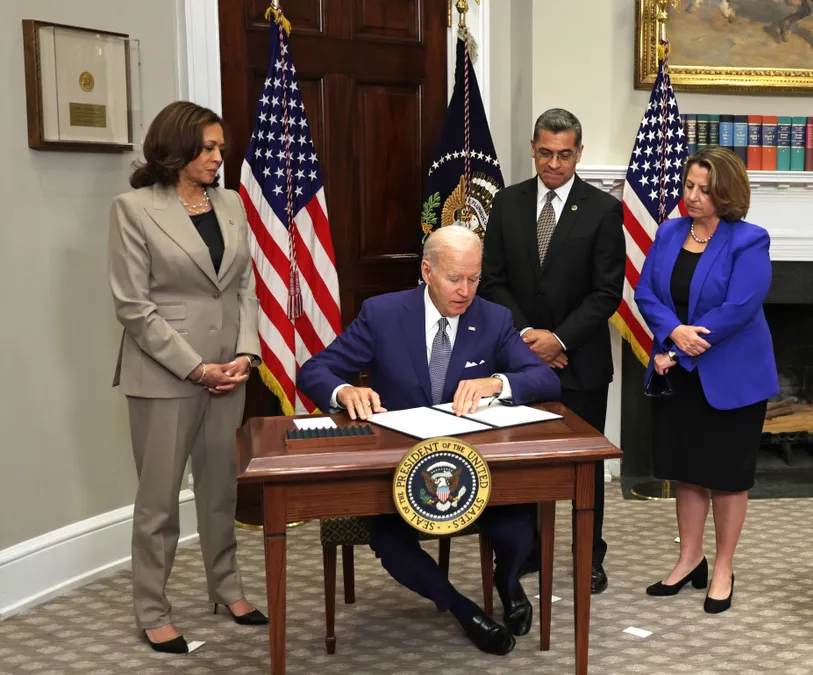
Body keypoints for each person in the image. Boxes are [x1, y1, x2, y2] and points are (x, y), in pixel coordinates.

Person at [296, 225, 560, 656]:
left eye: (474, 279)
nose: (466, 290)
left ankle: (508, 582)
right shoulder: (382, 314)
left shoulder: (493, 318)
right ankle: (462, 609)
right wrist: (344, 392)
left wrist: (496, 382)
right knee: (390, 541)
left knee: (518, 520)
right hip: (399, 470)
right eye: (455, 278)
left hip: (474, 467)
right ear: (427, 272)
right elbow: (314, 370)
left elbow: (544, 379)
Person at [108, 100, 267, 654]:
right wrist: (196, 367)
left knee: (221, 488)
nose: (219, 157)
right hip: (166, 375)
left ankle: (227, 588)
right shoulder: (133, 209)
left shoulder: (231, 203)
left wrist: (245, 356)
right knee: (159, 501)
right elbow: (133, 306)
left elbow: (245, 287)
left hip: (230, 371)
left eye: (221, 146)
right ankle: (152, 608)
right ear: (176, 149)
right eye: (209, 148)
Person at [480, 108, 624, 593]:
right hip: (519, 363)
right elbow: (492, 281)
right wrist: (528, 339)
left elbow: (607, 293)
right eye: (546, 153)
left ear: (579, 153)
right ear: (532, 148)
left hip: (580, 361)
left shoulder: (603, 210)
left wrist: (558, 339)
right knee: (523, 462)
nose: (555, 164)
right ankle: (527, 550)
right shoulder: (506, 203)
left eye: (565, 155)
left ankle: (589, 553)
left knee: (585, 462)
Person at [633, 146, 778, 614]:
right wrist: (671, 333)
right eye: (688, 186)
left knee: (727, 479)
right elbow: (646, 292)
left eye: (703, 190)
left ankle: (722, 568)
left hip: (730, 376)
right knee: (688, 473)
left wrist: (681, 345)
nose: (691, 197)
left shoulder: (749, 239)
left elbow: (740, 307)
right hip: (678, 371)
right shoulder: (670, 230)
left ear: (727, 193)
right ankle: (689, 558)